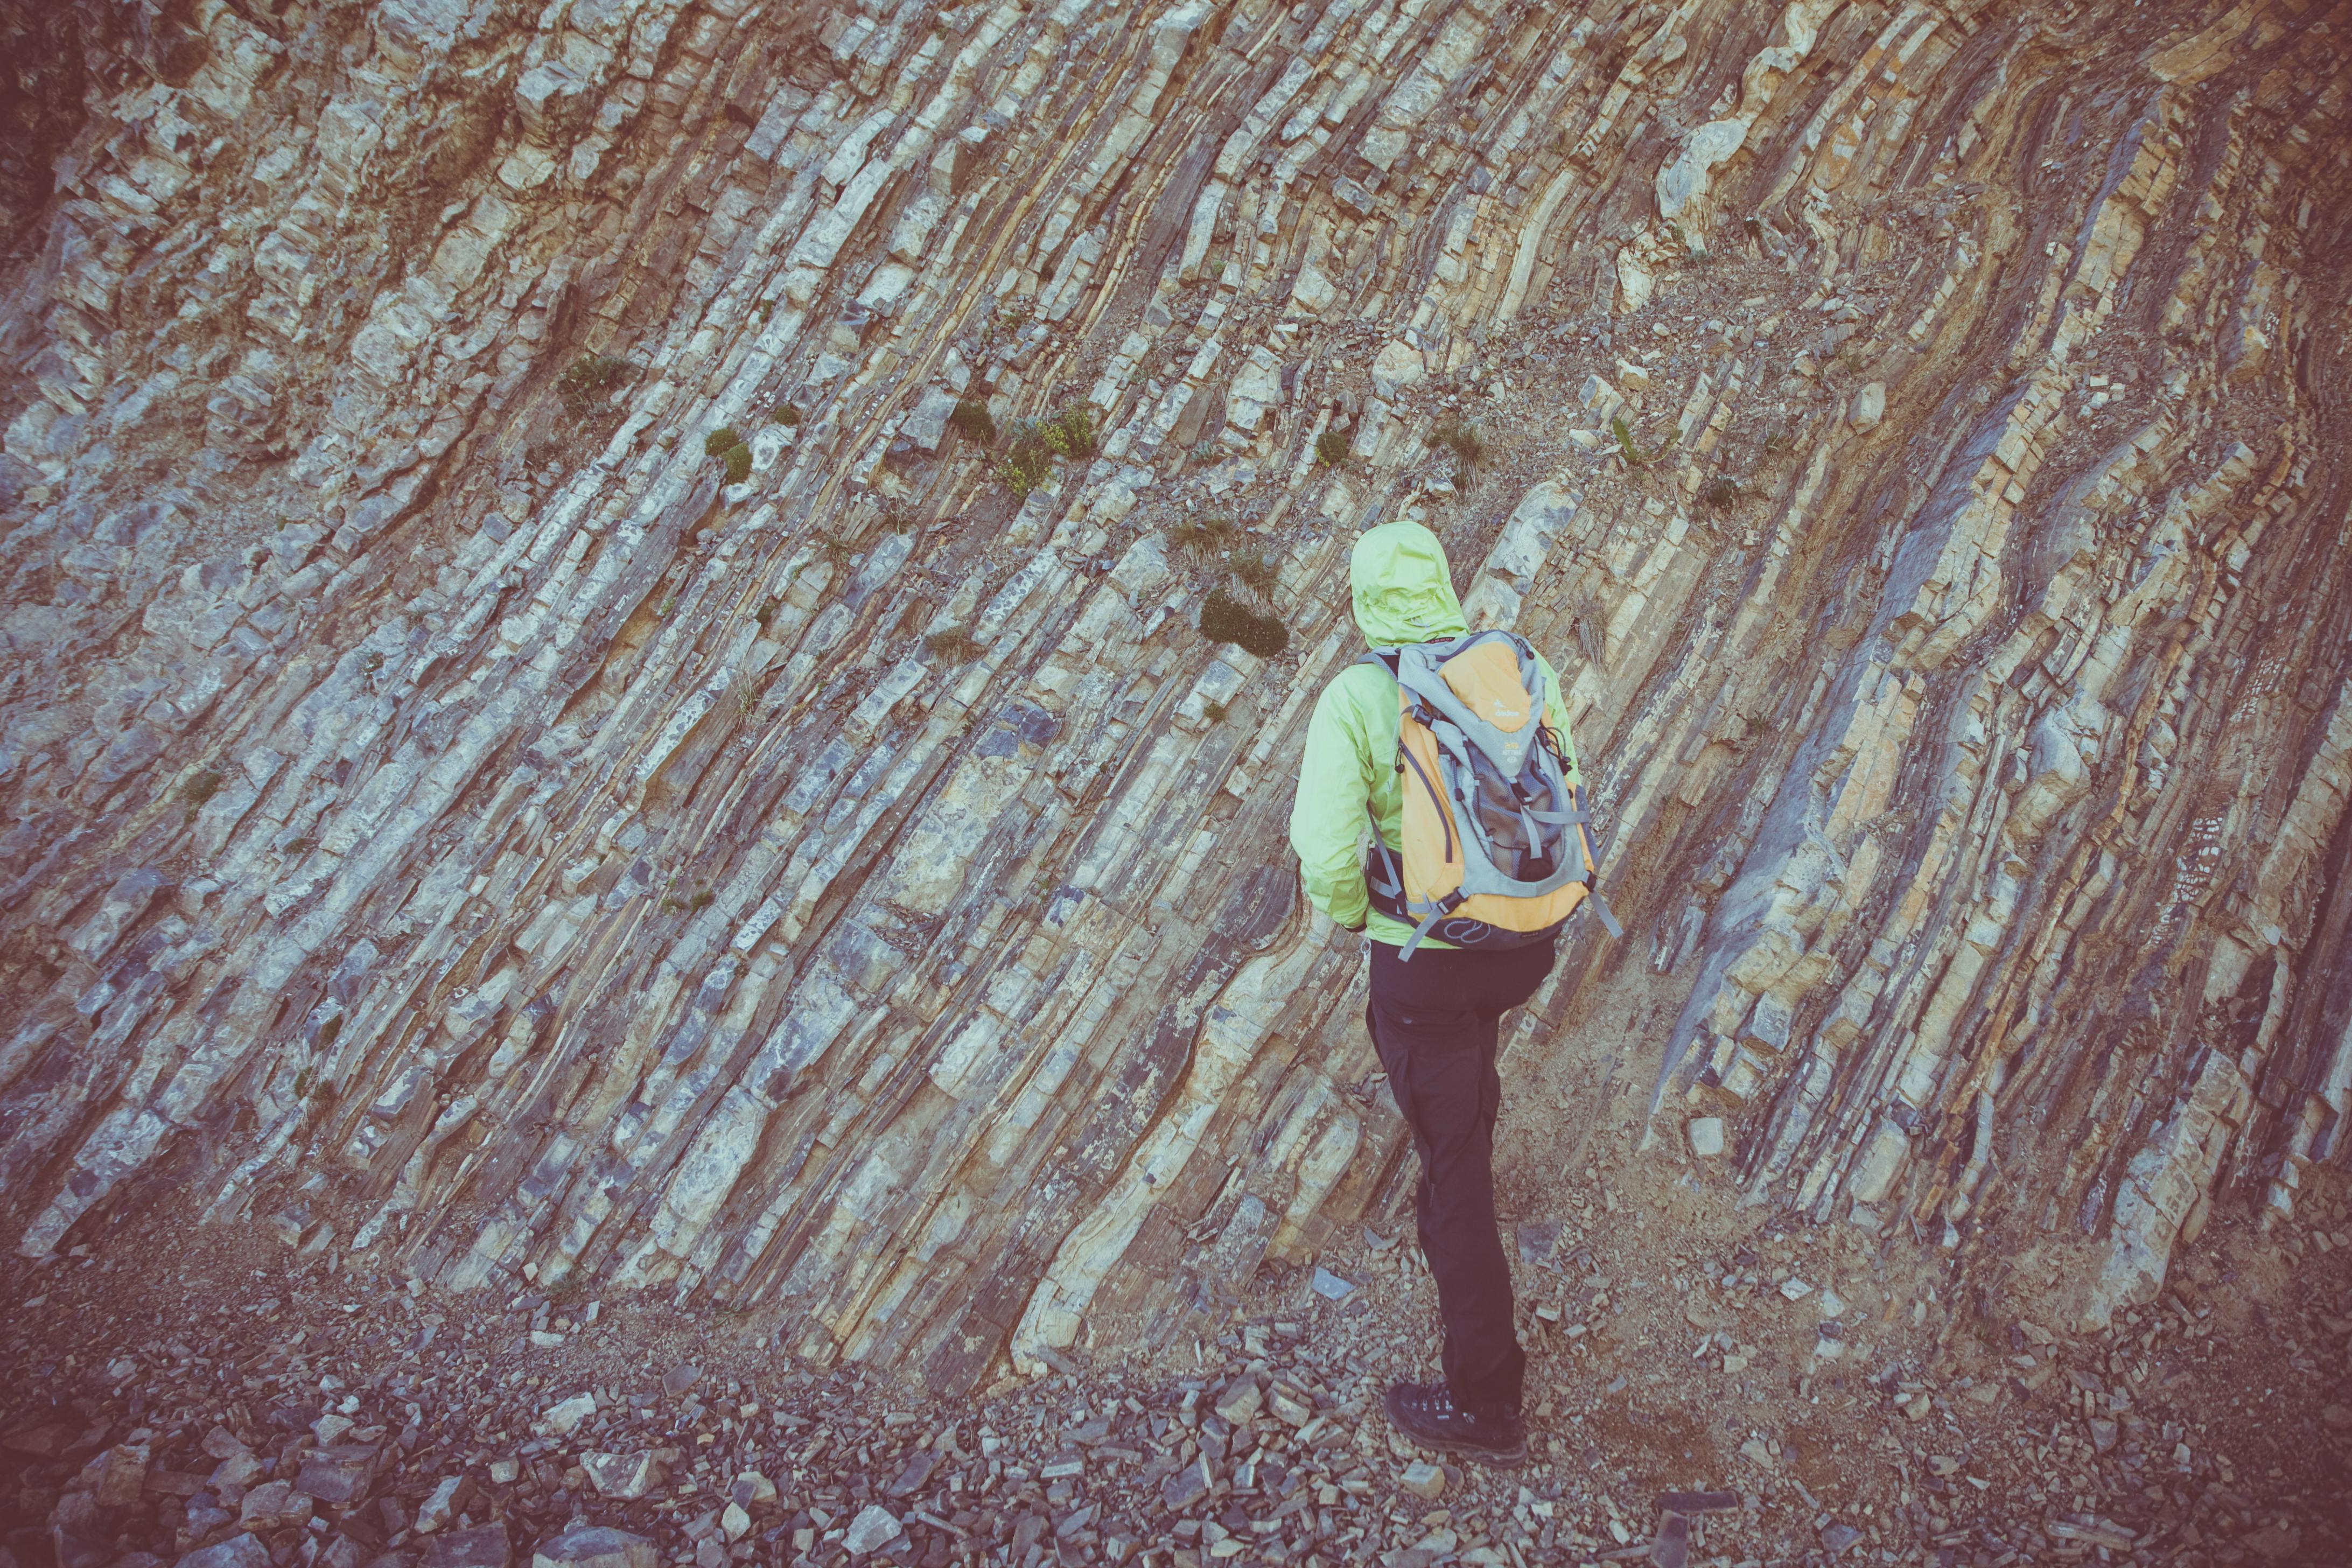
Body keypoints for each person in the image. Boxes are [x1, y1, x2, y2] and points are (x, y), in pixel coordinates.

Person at [1287, 519, 1584, 1467]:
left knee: (1455, 1183)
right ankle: (1472, 1108)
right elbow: (1565, 782)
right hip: (1525, 945)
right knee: (1469, 1068)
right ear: (1444, 588)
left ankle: (1488, 1408)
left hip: (1426, 966)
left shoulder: (1358, 695)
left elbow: (1327, 853)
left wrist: (1357, 917)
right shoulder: (1511, 665)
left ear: (1366, 601)